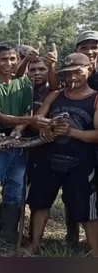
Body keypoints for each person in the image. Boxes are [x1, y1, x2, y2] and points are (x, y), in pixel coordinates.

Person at [0, 42, 49, 251]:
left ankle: (8, 232)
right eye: (4, 59)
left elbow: (26, 112)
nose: (9, 63)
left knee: (16, 191)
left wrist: (21, 128)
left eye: (13, 59)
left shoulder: (25, 83)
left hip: (19, 145)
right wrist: (27, 123)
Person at [27, 53, 98, 256]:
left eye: (78, 72)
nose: (72, 77)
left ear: (89, 70)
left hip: (80, 162)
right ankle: (35, 244)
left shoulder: (95, 99)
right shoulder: (55, 95)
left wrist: (70, 132)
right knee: (40, 203)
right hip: (49, 157)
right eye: (67, 74)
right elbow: (38, 117)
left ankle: (95, 251)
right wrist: (45, 126)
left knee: (87, 210)